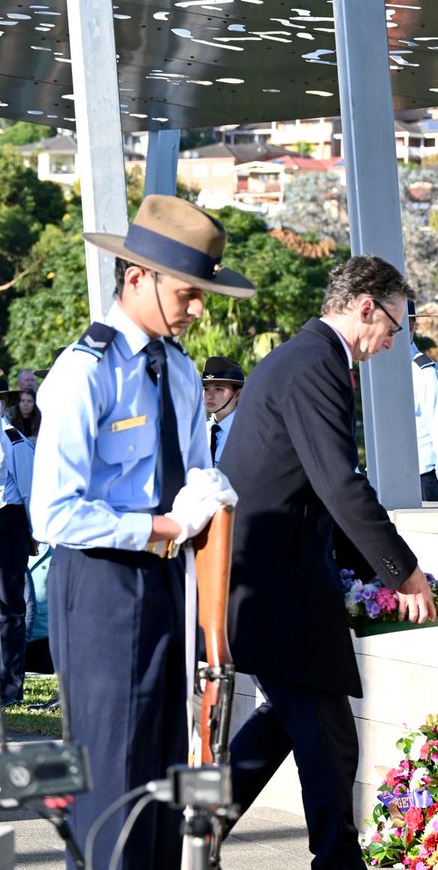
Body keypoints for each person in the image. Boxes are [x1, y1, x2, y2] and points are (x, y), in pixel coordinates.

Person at [30, 194, 254, 870]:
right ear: (137, 277)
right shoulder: (85, 373)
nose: (197, 308)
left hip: (167, 584)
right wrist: (161, 524)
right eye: (188, 292)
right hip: (100, 584)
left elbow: (196, 478)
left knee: (163, 771)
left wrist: (207, 496)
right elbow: (54, 513)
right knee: (110, 774)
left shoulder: (182, 372)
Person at [221, 254, 437, 870]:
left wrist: (372, 574)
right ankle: (338, 863)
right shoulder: (316, 364)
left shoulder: (305, 358)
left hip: (267, 581)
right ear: (366, 307)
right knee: (332, 741)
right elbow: (340, 484)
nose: (393, 342)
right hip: (276, 587)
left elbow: (315, 488)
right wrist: (404, 572)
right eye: (394, 326)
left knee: (278, 730)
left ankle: (180, 826)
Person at [0, 374, 35, 705]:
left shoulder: (13, 441)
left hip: (8, 521)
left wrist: (32, 532)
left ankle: (10, 685)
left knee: (9, 607)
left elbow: (27, 492)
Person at [408, 300, 438, 501]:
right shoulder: (380, 379)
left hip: (424, 485)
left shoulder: (426, 375)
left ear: (409, 326)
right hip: (384, 484)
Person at [201, 356, 245, 467]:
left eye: (218, 389)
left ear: (238, 394)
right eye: (206, 388)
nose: (210, 395)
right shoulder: (200, 432)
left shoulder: (247, 433)